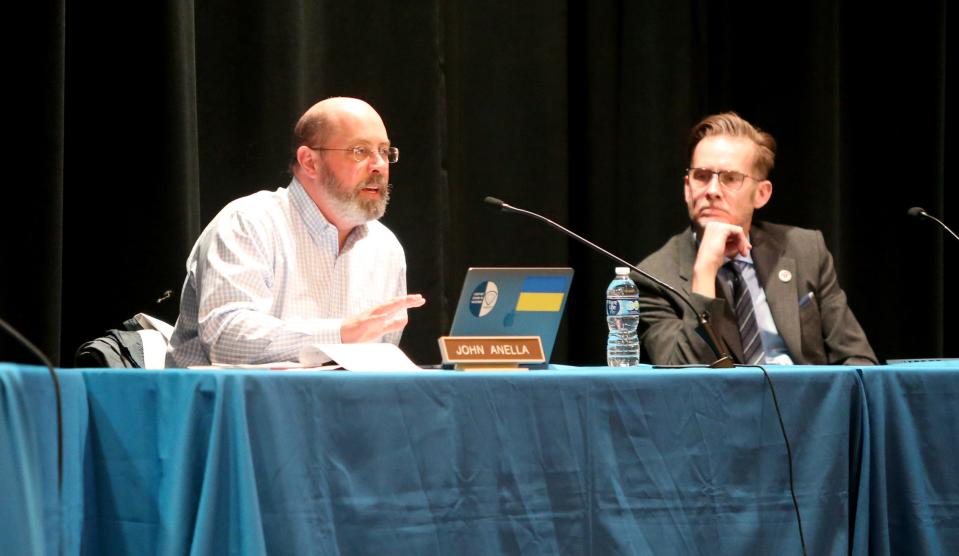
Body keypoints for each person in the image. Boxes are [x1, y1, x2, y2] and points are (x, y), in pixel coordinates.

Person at [166, 97, 425, 367]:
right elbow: (226, 339)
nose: (379, 165)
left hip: (334, 406)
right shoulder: (248, 223)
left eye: (384, 152)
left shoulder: (385, 248)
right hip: (232, 406)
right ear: (309, 162)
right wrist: (340, 334)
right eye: (360, 151)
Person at [636, 112, 877, 366]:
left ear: (761, 194)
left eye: (730, 178)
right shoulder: (653, 278)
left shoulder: (804, 249)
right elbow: (683, 378)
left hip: (807, 401)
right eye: (702, 176)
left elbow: (858, 359)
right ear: (687, 188)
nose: (713, 191)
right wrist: (705, 270)